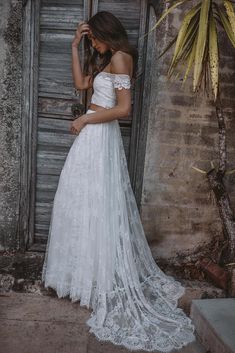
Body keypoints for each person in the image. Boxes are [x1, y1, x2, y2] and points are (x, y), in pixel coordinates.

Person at [42, 11, 196, 352]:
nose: (93, 45)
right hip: (91, 137)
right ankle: (76, 277)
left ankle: (96, 279)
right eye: (90, 41)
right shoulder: (107, 58)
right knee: (78, 200)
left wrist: (85, 118)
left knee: (98, 204)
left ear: (107, 34)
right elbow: (82, 86)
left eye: (94, 39)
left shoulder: (122, 57)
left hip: (99, 136)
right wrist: (74, 46)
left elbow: (124, 109)